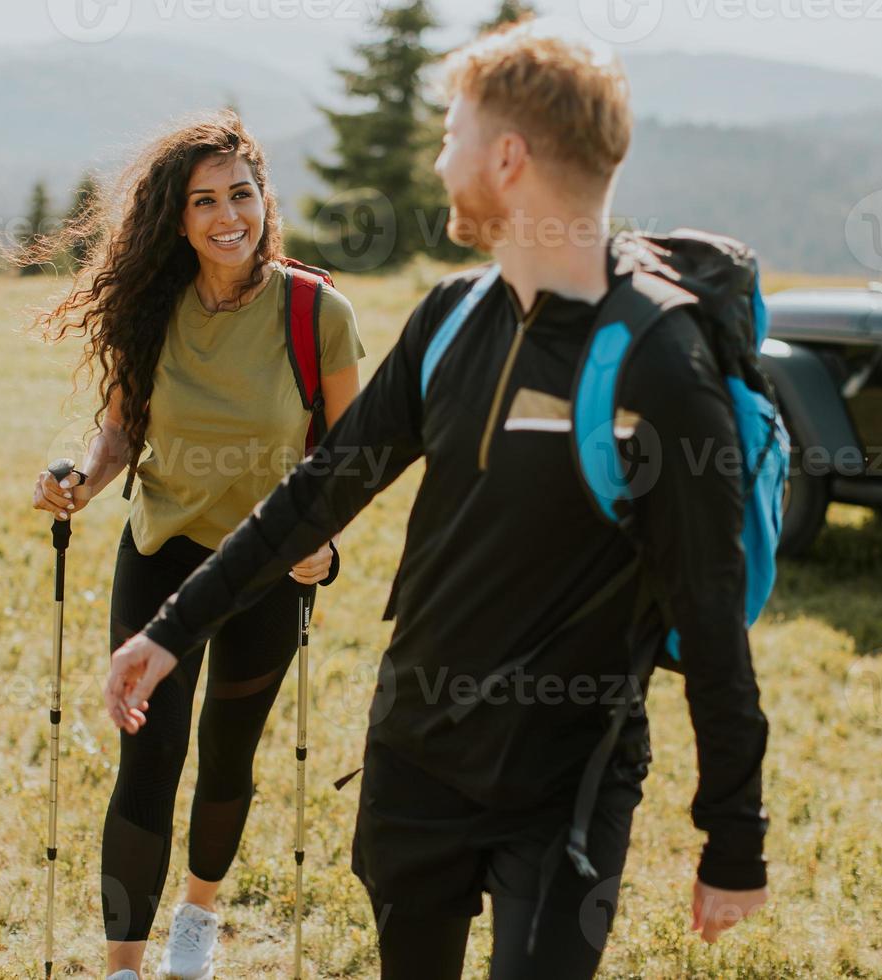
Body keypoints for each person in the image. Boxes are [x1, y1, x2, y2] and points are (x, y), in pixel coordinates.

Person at [100, 25, 768, 979]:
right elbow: (318, 494)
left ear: (507, 158)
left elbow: (710, 612)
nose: (439, 156)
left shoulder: (661, 363)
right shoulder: (451, 319)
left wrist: (734, 835)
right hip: (413, 768)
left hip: (564, 788)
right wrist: (171, 631)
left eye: (453, 134)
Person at [26, 110, 365, 979]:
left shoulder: (314, 311)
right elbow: (119, 435)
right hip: (164, 555)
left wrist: (322, 544)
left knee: (228, 750)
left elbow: (349, 457)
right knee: (149, 755)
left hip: (266, 564)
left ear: (264, 200)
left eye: (241, 195)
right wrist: (78, 484)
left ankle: (197, 918)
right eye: (204, 200)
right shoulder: (150, 311)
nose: (228, 216)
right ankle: (123, 968)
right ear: (175, 219)